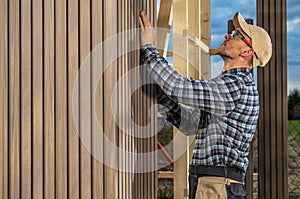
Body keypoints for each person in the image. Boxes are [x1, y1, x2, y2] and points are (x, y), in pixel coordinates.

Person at [139, 10, 272, 199]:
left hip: (216, 186)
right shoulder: (228, 86)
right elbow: (192, 124)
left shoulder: (235, 86)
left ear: (247, 51)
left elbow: (178, 86)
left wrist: (148, 47)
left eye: (236, 35)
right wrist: (163, 98)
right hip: (211, 183)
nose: (228, 35)